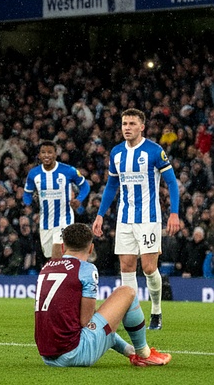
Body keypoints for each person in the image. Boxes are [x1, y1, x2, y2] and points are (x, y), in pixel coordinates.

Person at [35, 223, 171, 367]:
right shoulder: (87, 269)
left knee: (103, 322)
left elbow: (96, 324)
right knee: (127, 292)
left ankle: (132, 352)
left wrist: (108, 318)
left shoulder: (46, 268)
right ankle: (144, 354)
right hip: (73, 354)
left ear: (63, 247)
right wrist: (111, 316)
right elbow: (86, 322)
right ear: (91, 248)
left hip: (47, 356)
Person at [92, 108, 180, 330]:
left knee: (149, 268)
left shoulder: (154, 151)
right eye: (124, 124)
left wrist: (174, 212)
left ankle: (157, 310)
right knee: (127, 267)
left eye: (132, 124)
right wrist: (100, 214)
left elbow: (171, 182)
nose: (127, 128)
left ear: (142, 127)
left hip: (149, 218)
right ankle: (133, 316)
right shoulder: (117, 153)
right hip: (124, 218)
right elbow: (112, 185)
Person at [23, 140, 90, 260]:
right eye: (43, 152)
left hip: (65, 219)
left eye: (50, 152)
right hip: (45, 222)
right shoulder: (34, 174)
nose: (47, 155)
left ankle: (64, 275)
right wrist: (29, 208)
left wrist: (79, 199)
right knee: (51, 257)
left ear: (55, 154)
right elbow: (27, 194)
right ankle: (67, 273)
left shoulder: (68, 170)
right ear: (39, 155)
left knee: (58, 249)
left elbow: (85, 186)